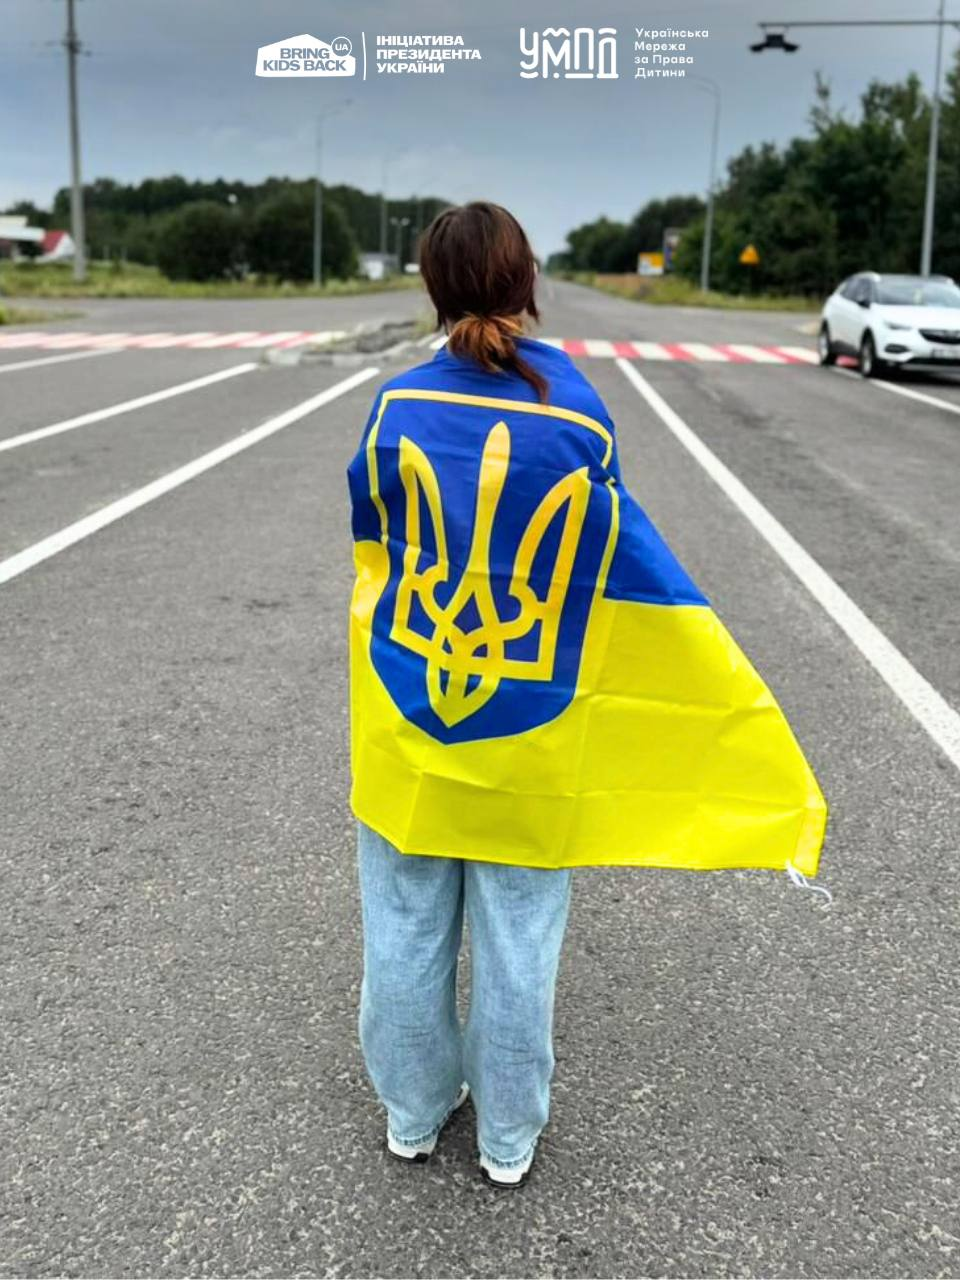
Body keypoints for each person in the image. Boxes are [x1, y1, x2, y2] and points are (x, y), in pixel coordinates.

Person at [345, 202, 825, 1191]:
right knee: (519, 940)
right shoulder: (575, 411)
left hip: (412, 716)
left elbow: (375, 544)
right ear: (527, 284)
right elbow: (611, 563)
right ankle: (507, 1138)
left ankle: (412, 1113)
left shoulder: (394, 409)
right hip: (533, 727)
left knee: (403, 925)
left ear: (432, 288)